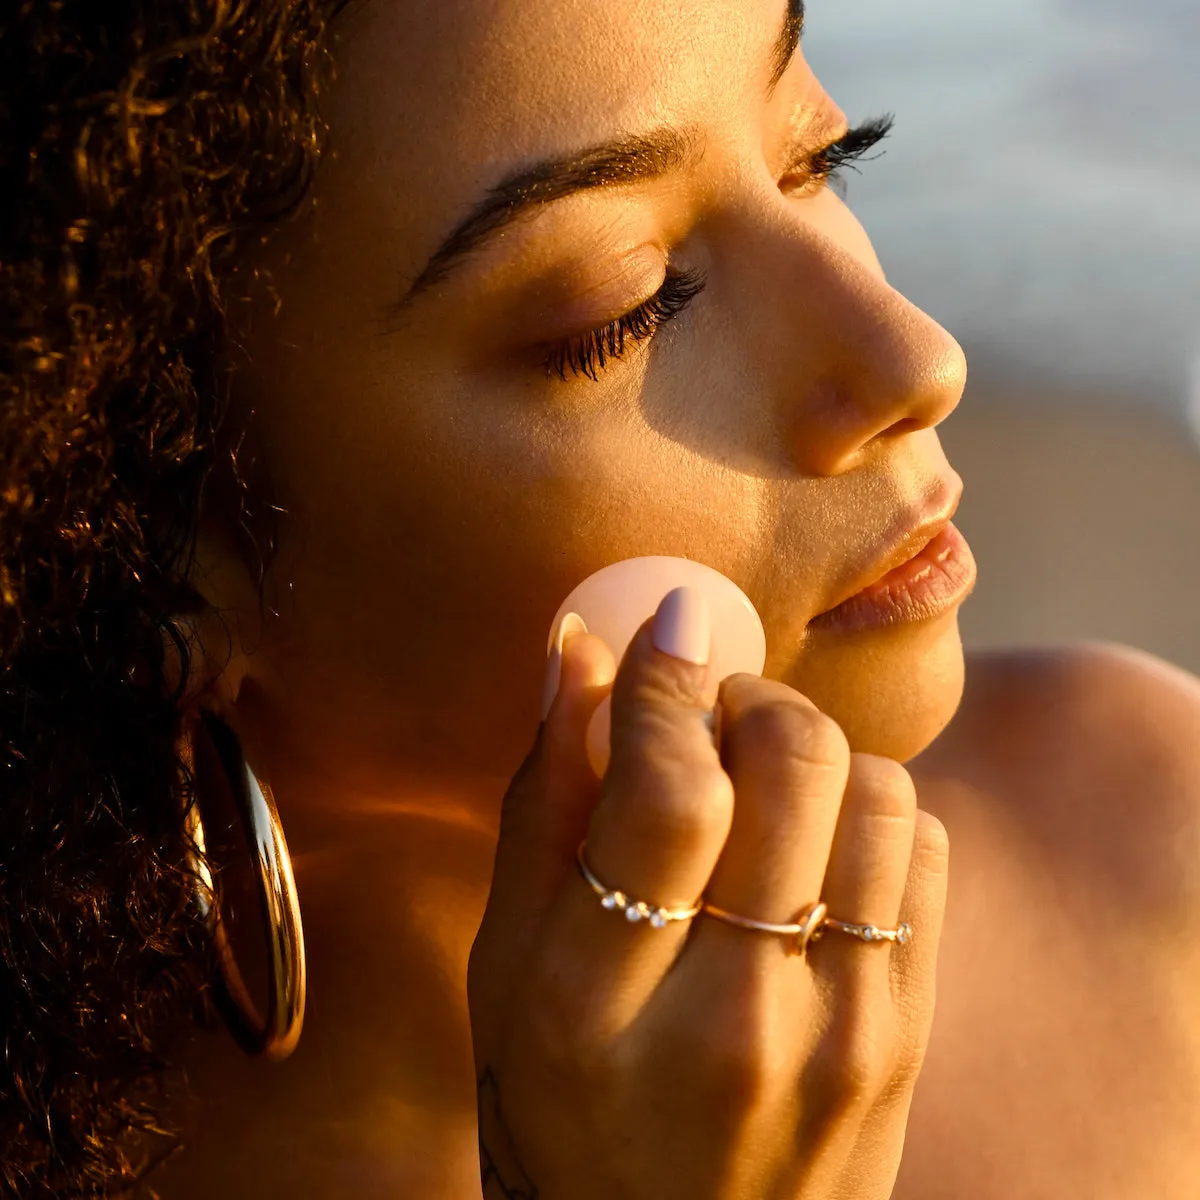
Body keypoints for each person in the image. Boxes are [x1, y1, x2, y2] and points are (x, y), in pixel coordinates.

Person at [2, 0, 1198, 1197]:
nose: (918, 361)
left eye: (815, 155)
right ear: (144, 538)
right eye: (627, 308)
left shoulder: (1142, 854)